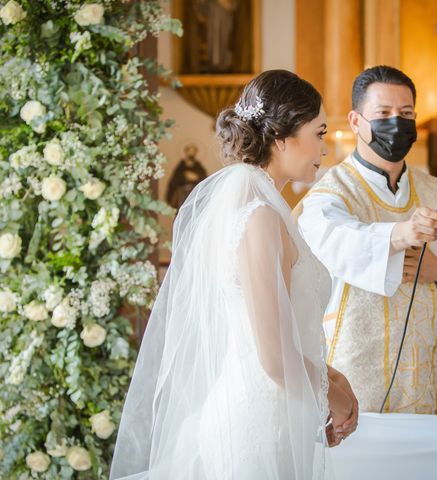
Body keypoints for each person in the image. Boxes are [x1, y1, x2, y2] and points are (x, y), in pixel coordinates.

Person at [110, 70, 358, 480]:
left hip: (278, 407)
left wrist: (330, 379)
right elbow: (274, 357)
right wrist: (333, 398)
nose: (325, 147)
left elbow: (278, 329)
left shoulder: (262, 206)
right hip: (257, 421)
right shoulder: (258, 217)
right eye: (319, 133)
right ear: (281, 137)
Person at [296, 65, 437, 414]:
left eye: (407, 113)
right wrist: (401, 234)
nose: (396, 122)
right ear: (356, 121)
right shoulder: (330, 193)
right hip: (354, 380)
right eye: (383, 114)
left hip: (431, 379)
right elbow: (340, 244)